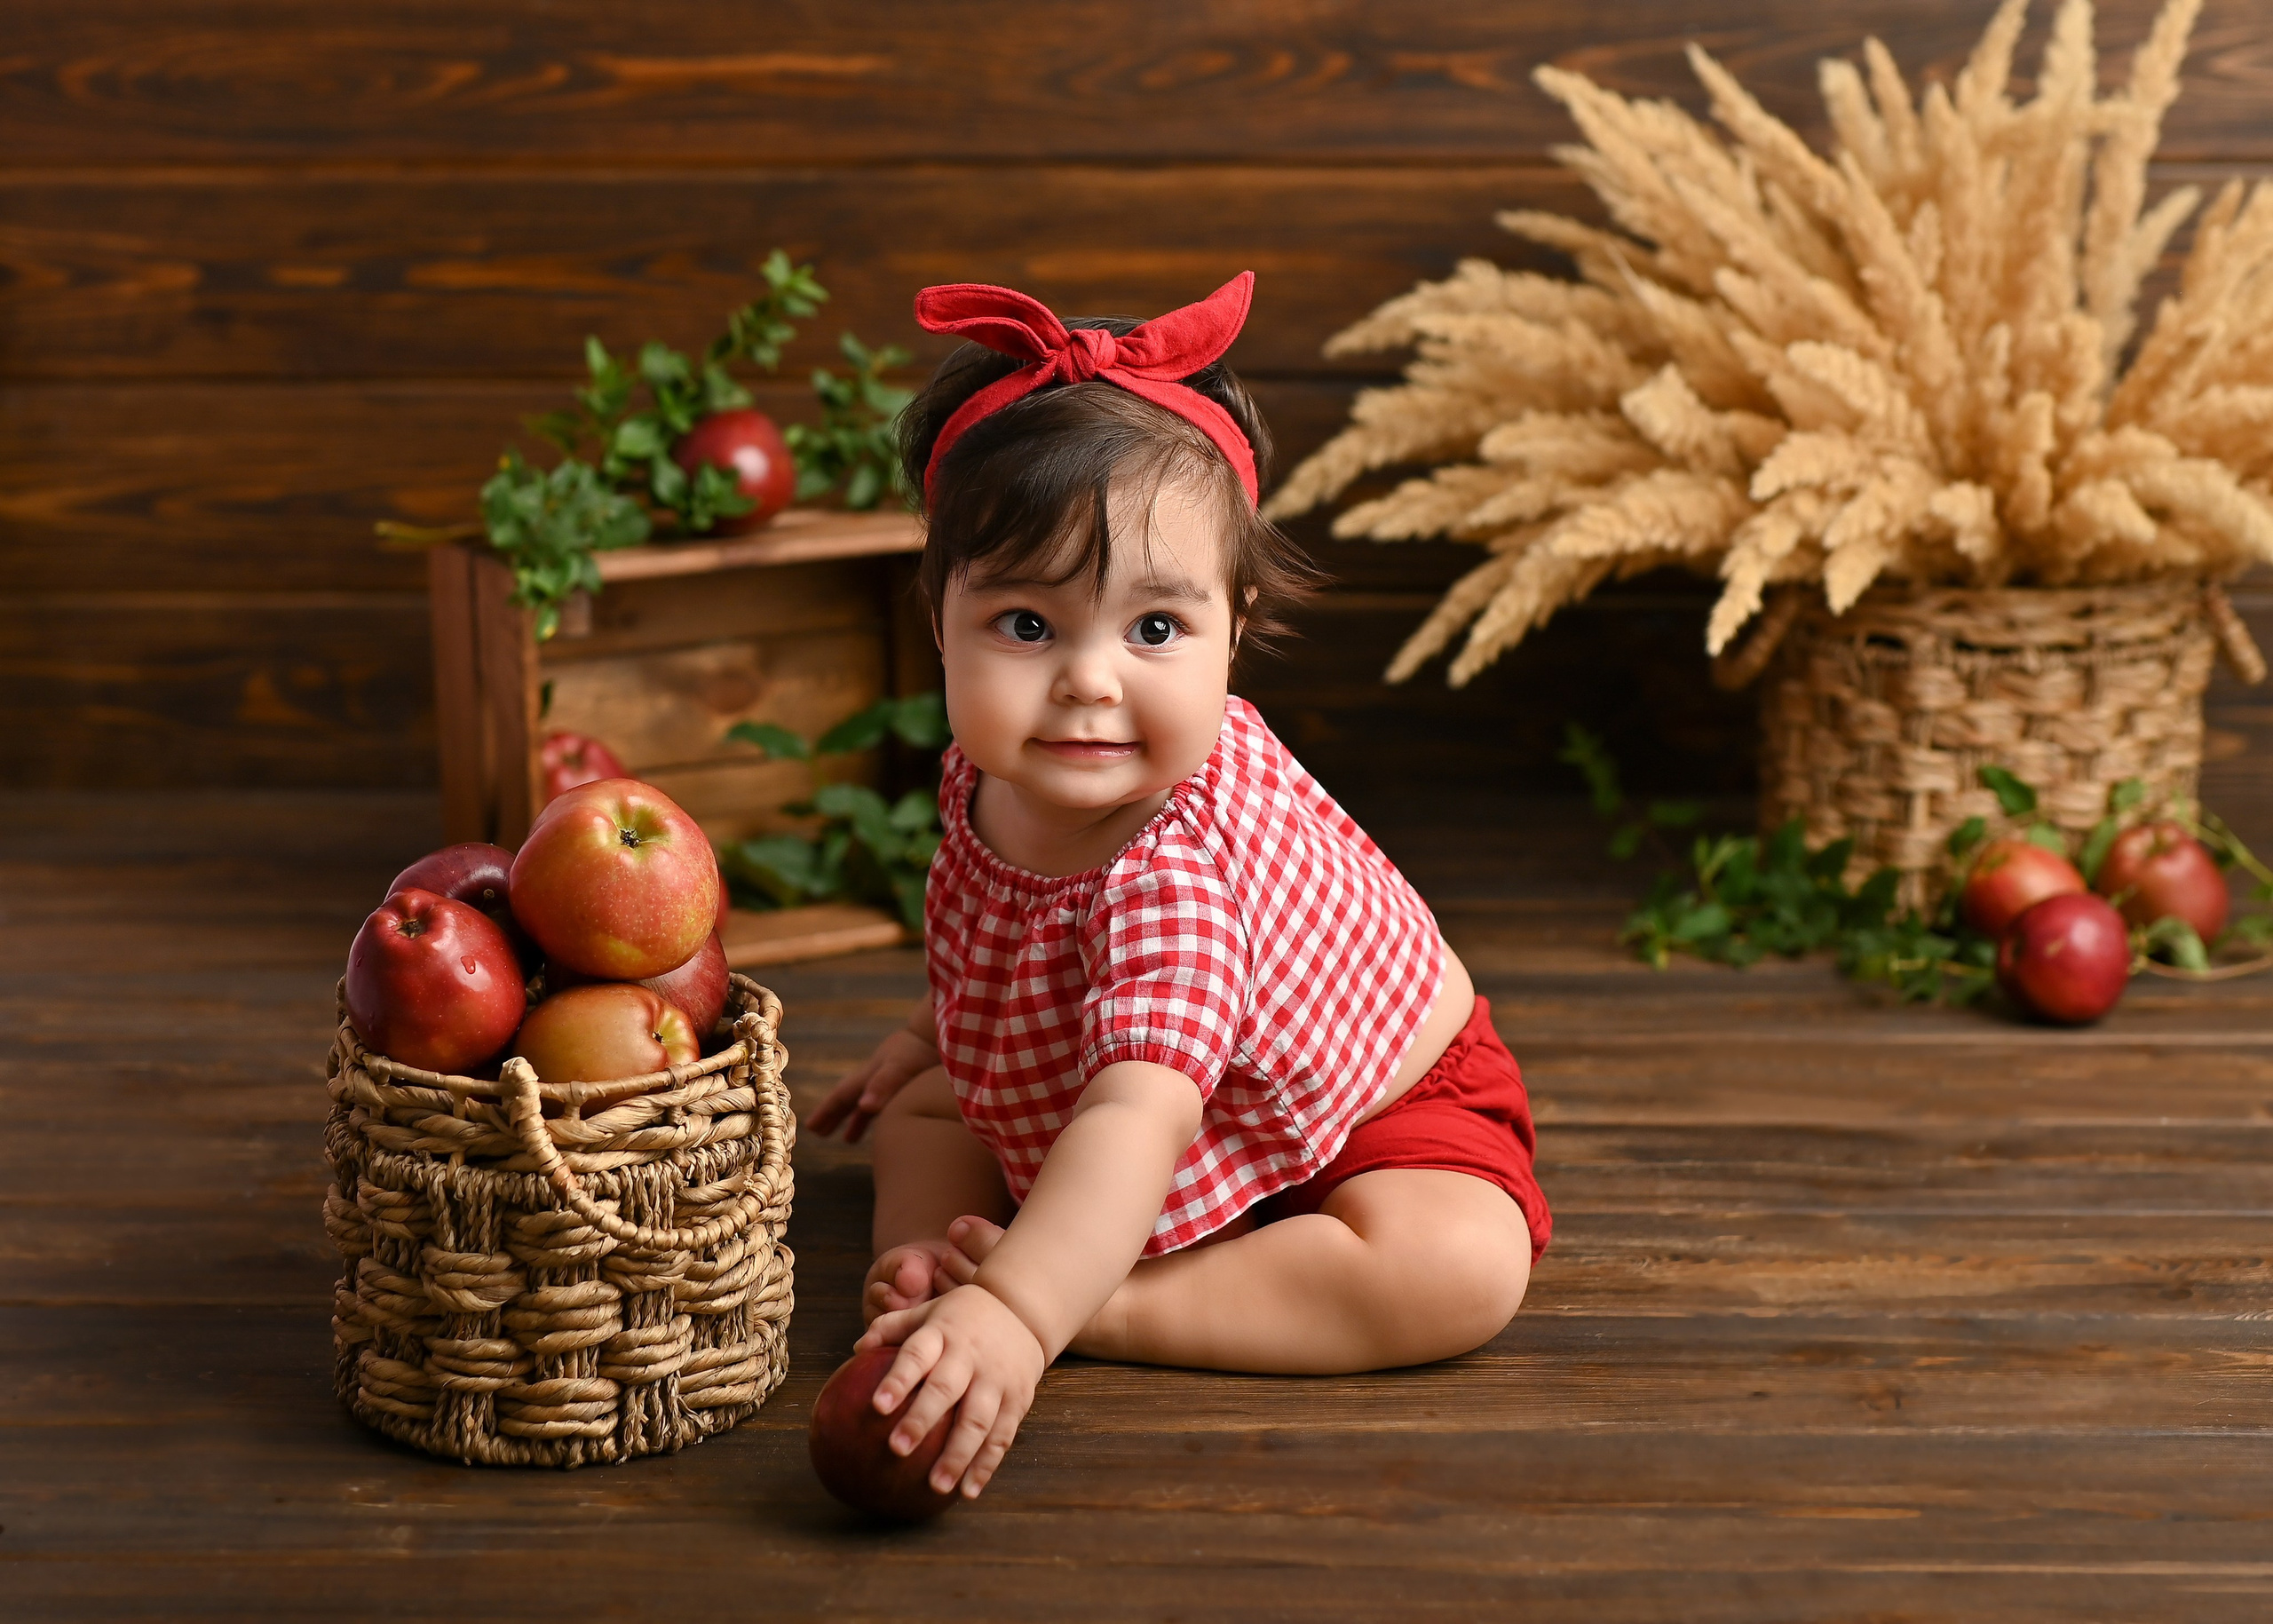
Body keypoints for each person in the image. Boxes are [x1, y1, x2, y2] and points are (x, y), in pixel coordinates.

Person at [804, 273, 1552, 1502]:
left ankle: (1101, 1304)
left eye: (1154, 630)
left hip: (1375, 1105)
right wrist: (926, 1031)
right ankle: (925, 1271)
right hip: (1134, 1070)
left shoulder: (1173, 870)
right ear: (939, 622)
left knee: (1460, 1265)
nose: (1091, 682)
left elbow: (1133, 1116)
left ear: (1234, 628)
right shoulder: (987, 776)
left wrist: (1031, 1314)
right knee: (930, 1114)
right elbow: (996, 931)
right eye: (1028, 627)